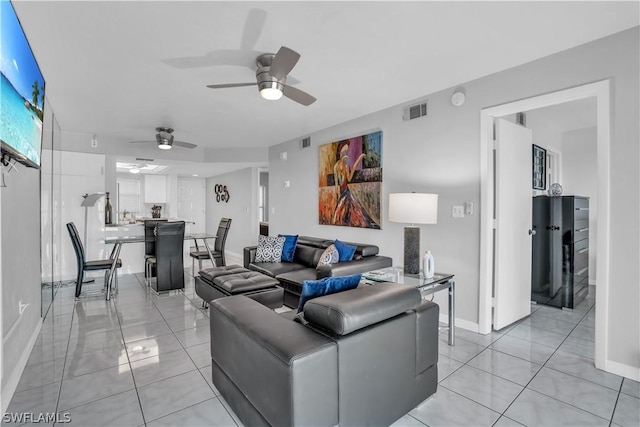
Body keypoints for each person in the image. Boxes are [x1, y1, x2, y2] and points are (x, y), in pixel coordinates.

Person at [332, 140, 378, 228]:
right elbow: (337, 184)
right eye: (343, 151)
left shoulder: (346, 164)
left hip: (346, 191)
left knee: (353, 213)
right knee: (341, 215)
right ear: (339, 151)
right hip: (342, 193)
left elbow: (349, 178)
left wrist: (358, 160)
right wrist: (338, 196)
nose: (345, 154)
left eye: (346, 151)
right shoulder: (336, 166)